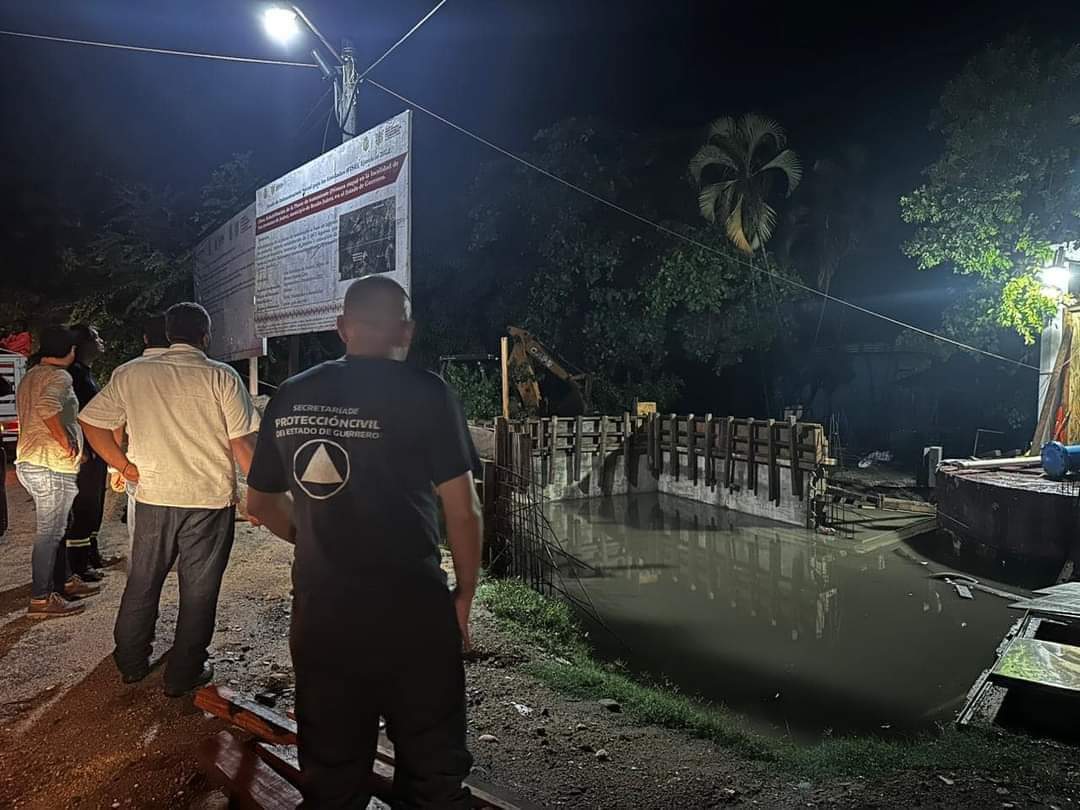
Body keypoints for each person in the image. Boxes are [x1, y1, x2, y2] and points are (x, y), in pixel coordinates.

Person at [247, 276, 483, 809]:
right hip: (413, 609)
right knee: (432, 769)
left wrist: (308, 537)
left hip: (323, 608)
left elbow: (259, 504)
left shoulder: (290, 394)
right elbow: (462, 508)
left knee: (331, 770)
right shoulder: (428, 393)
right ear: (407, 329)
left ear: (341, 329)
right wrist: (464, 595)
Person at [79, 303, 260, 696]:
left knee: (143, 581)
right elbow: (242, 444)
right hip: (209, 500)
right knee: (199, 589)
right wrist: (261, 496)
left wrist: (122, 466)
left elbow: (91, 421)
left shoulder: (132, 374)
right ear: (205, 336)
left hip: (154, 497)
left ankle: (130, 662)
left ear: (167, 332)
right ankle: (184, 672)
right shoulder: (221, 376)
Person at [15, 326, 99, 618]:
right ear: (70, 350)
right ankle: (41, 599)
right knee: (49, 532)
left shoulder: (31, 376)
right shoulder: (59, 376)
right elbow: (47, 407)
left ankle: (63, 581)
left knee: (58, 526)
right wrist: (66, 441)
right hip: (48, 463)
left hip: (32, 460)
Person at [106, 315, 170, 555]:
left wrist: (116, 466)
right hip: (186, 468)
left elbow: (112, 422)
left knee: (140, 536)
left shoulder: (126, 373)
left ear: (145, 338)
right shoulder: (199, 371)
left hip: (140, 466)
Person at [62, 324, 108, 581]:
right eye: (95, 337)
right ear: (81, 344)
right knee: (84, 506)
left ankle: (91, 554)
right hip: (85, 453)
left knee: (95, 504)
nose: (100, 341)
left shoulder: (85, 374)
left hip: (95, 449)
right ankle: (78, 565)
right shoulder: (73, 376)